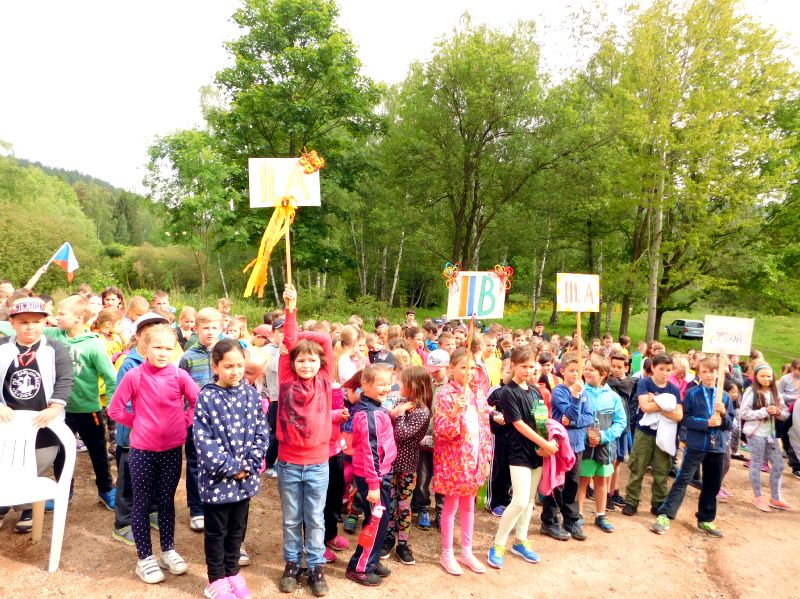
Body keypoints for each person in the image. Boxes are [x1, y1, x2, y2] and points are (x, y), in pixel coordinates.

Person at [108, 324, 199, 584]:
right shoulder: (134, 375)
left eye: (168, 348)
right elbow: (115, 409)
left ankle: (168, 550)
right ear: (145, 347)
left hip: (171, 451)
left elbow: (198, 401)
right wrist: (138, 423)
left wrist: (184, 421)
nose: (162, 353)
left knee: (167, 502)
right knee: (142, 503)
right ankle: (145, 558)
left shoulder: (179, 375)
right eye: (157, 347)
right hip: (142, 452)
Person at [194, 339, 268, 599]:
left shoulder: (250, 393)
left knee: (237, 529)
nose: (235, 371)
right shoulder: (207, 397)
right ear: (215, 366)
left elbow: (261, 432)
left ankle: (232, 572)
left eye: (239, 365)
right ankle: (216, 579)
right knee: (217, 532)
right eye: (228, 366)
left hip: (245, 480)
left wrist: (249, 465)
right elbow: (203, 441)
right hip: (218, 482)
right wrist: (231, 468)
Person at [276, 285, 333, 597]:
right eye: (300, 360)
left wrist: (301, 333)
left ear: (320, 363)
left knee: (315, 519)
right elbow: (288, 344)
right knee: (291, 519)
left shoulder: (324, 380)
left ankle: (315, 567)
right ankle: (291, 564)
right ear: (292, 363)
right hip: (288, 463)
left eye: (312, 360)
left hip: (318, 464)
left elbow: (325, 340)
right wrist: (291, 311)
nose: (306, 365)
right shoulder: (286, 379)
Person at [0, 297, 74, 532]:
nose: (30, 327)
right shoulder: (2, 347)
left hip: (42, 422)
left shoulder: (55, 348)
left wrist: (54, 408)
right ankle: (3, 504)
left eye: (36, 321)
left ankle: (28, 506)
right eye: (23, 322)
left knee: (35, 466)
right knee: (5, 463)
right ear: (12, 322)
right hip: (7, 421)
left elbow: (65, 379)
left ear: (45, 323)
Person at [45, 295, 118, 510]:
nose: (56, 317)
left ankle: (106, 489)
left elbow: (111, 377)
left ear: (78, 317)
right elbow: (14, 329)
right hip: (59, 410)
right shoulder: (53, 335)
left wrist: (111, 406)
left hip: (88, 409)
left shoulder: (94, 345)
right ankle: (63, 492)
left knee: (98, 452)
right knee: (61, 452)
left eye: (61, 313)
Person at [486, 346, 557, 569]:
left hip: (537, 452)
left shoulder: (535, 391)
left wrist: (545, 444)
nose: (528, 370)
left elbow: (541, 420)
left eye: (531, 366)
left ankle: (520, 540)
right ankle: (498, 544)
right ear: (513, 366)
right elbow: (518, 424)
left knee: (529, 501)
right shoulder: (507, 392)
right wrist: (544, 443)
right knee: (518, 500)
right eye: (523, 366)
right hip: (517, 452)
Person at [652, 356, 733, 537]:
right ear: (699, 373)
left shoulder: (725, 397)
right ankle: (665, 515)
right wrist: (706, 423)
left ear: (718, 373)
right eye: (704, 371)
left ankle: (705, 519)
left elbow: (729, 425)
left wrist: (724, 414)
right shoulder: (692, 393)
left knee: (712, 484)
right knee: (683, 479)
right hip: (696, 445)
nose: (709, 375)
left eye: (712, 371)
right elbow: (686, 419)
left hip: (717, 447)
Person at [432, 348, 492, 576]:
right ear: (451, 369)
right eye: (463, 367)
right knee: (451, 506)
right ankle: (446, 553)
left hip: (475, 457)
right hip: (454, 461)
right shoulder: (446, 395)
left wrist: (486, 456)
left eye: (472, 368)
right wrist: (456, 410)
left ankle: (466, 551)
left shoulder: (478, 393)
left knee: (469, 505)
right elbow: (442, 431)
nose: (469, 372)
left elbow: (484, 428)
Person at [111, 312, 169, 545]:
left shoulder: (164, 364)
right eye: (148, 333)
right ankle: (123, 523)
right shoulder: (130, 364)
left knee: (153, 476)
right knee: (128, 481)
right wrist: (144, 423)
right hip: (131, 439)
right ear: (138, 337)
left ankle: (152, 510)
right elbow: (122, 403)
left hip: (156, 439)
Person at [344, 364, 397, 586]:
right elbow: (370, 451)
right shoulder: (369, 414)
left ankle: (371, 560)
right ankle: (360, 567)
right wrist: (374, 484)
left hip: (380, 473)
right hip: (373, 477)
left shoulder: (376, 408)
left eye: (389, 384)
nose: (386, 388)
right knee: (376, 521)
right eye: (381, 384)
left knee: (381, 520)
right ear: (365, 385)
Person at [540, 351, 593, 541]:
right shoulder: (559, 392)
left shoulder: (583, 390)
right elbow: (571, 412)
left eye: (578, 371)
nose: (576, 374)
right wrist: (576, 396)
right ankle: (549, 521)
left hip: (577, 445)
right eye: (571, 370)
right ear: (562, 371)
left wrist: (572, 422)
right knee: (558, 484)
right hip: (561, 446)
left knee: (573, 484)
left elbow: (588, 417)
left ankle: (571, 519)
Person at [622, 353, 683, 516]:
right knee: (638, 468)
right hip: (644, 433)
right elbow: (645, 407)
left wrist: (655, 399)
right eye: (661, 369)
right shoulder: (645, 383)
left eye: (668, 370)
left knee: (661, 471)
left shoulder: (673, 389)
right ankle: (631, 501)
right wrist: (666, 403)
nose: (665, 373)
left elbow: (678, 415)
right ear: (653, 368)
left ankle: (658, 502)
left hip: (665, 434)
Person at [383, 365, 432, 565]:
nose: (399, 384)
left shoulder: (422, 411)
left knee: (404, 506)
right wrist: (395, 411)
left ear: (414, 385)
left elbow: (400, 434)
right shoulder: (401, 401)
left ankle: (402, 543)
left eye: (402, 381)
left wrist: (399, 412)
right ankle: (388, 539)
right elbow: (386, 420)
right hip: (390, 463)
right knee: (389, 503)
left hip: (407, 466)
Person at [179, 307, 223, 532]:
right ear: (196, 329)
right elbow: (179, 390)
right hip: (195, 420)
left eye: (214, 327)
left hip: (222, 420)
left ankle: (216, 503)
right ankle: (197, 509)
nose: (210, 332)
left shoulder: (226, 353)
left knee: (219, 461)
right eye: (205, 327)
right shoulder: (187, 357)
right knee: (195, 463)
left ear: (221, 328)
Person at [576, 355, 627, 533]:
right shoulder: (580, 392)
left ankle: (600, 515)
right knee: (583, 479)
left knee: (601, 480)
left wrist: (604, 436)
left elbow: (621, 422)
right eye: (585, 368)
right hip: (585, 446)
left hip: (605, 447)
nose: (586, 372)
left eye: (591, 369)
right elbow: (575, 417)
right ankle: (578, 514)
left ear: (603, 374)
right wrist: (586, 435)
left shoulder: (613, 397)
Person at [740, 363, 795, 512]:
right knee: (756, 464)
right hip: (755, 434)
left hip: (770, 435)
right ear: (756, 377)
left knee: (779, 464)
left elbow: (786, 413)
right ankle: (758, 497)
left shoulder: (775, 392)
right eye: (762, 376)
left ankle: (776, 498)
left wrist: (778, 413)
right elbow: (743, 413)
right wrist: (765, 411)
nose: (766, 379)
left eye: (769, 376)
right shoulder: (751, 391)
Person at [412, 349, 450, 531]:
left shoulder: (450, 388)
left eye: (437, 370)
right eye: (431, 370)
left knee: (442, 477)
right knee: (423, 476)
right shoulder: (426, 384)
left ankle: (441, 510)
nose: (433, 373)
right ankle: (422, 508)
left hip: (442, 440)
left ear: (447, 367)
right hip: (423, 439)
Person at [607, 353, 635, 508]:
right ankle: (606, 494)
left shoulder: (629, 381)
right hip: (609, 427)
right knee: (609, 461)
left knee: (618, 461)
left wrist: (609, 377)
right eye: (613, 366)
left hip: (623, 427)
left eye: (619, 367)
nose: (616, 370)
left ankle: (614, 491)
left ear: (627, 368)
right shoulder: (607, 381)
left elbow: (625, 385)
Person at [776, 359, 800, 477]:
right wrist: (794, 397)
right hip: (788, 410)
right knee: (788, 434)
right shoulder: (785, 379)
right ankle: (795, 464)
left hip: (798, 410)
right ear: (793, 368)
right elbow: (779, 394)